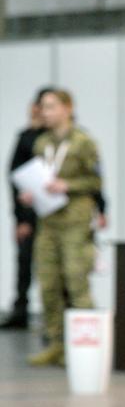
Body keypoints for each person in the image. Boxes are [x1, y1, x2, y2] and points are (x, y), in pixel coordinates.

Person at [20, 89, 104, 366]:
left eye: (52, 106)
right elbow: (40, 177)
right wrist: (31, 193)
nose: (46, 112)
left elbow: (96, 182)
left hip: (75, 221)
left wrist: (68, 185)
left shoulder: (83, 142)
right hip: (48, 221)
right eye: (43, 107)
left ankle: (88, 347)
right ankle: (57, 344)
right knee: (49, 284)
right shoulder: (41, 143)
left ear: (68, 108)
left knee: (76, 281)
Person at [2, 87, 55, 330]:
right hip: (31, 212)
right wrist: (20, 218)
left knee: (55, 266)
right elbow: (15, 178)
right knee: (25, 262)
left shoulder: (64, 138)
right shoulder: (27, 137)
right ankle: (20, 310)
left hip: (57, 212)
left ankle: (55, 320)